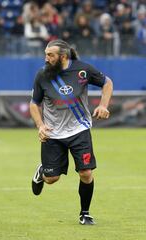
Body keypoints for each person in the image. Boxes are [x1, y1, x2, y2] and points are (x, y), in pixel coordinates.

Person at [30, 39, 113, 225]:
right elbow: (34, 103)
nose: (46, 58)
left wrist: (103, 105)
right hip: (53, 132)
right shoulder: (42, 75)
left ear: (63, 56)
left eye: (50, 55)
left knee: (86, 173)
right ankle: (42, 171)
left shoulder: (83, 70)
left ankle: (85, 213)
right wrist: (40, 126)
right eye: (45, 54)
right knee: (52, 178)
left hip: (79, 129)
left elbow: (107, 83)